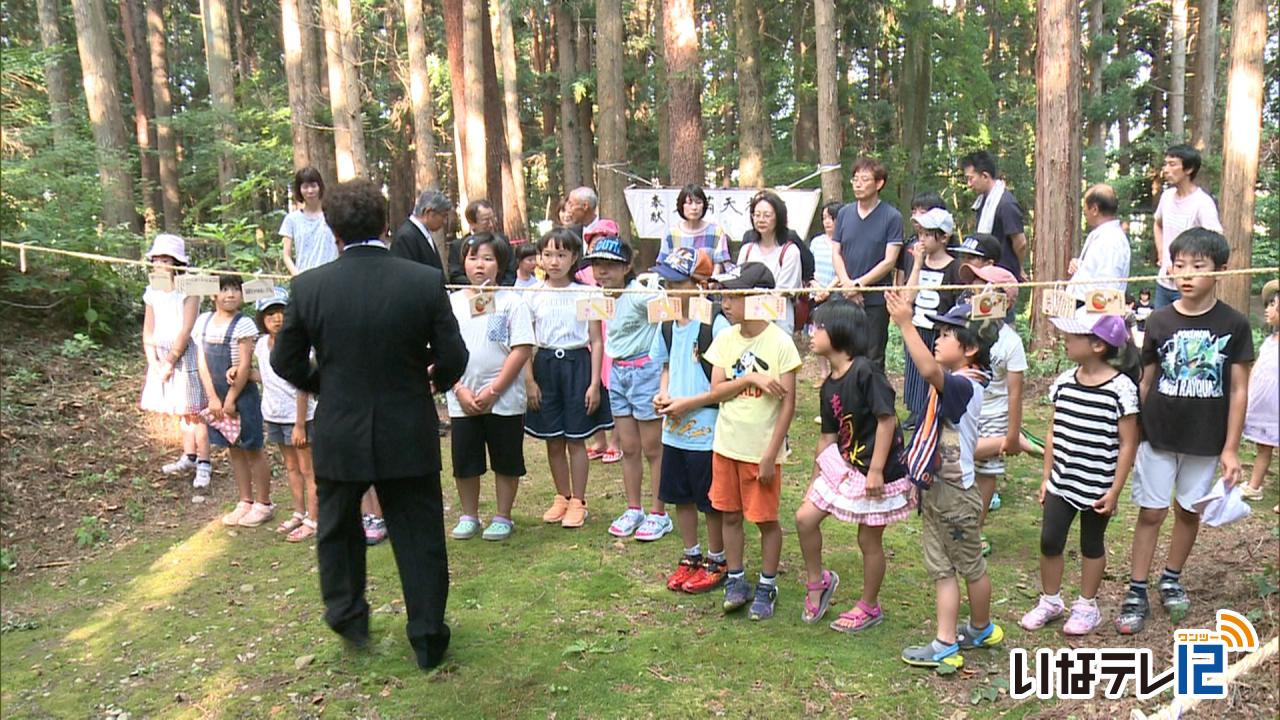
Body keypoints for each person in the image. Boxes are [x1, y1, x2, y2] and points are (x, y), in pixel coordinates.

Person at [272, 178, 469, 670]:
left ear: (333, 229)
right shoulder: (421, 281)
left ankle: (347, 615)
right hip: (407, 422)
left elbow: (284, 359)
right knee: (419, 533)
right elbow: (454, 356)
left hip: (340, 424)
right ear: (386, 225)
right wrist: (431, 381)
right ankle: (427, 637)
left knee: (338, 528)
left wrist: (325, 386)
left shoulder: (309, 286)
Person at [1115, 228, 1253, 635]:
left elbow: (1239, 388)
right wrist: (1133, 426)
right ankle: (1136, 588)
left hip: (1206, 438)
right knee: (1153, 511)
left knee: (1189, 509)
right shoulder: (1159, 319)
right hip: (1158, 431)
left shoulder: (1235, 323)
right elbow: (1146, 378)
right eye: (1179, 266)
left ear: (1220, 271)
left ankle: (1171, 577)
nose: (1186, 274)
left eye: (1198, 266)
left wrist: (1231, 448)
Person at [887, 292, 1004, 670]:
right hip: (938, 491)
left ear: (970, 349)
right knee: (943, 569)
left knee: (969, 567)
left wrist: (906, 324)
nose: (937, 338)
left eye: (946, 334)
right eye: (934, 332)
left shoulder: (962, 386)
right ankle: (951, 637)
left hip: (954, 495)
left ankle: (974, 631)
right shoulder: (961, 382)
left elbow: (927, 371)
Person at [795, 300, 913, 632]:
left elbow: (887, 420)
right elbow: (827, 437)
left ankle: (869, 606)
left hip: (879, 471)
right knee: (805, 518)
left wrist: (876, 470)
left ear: (840, 332)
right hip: (846, 467)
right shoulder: (829, 382)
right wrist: (813, 484)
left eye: (818, 327)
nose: (812, 333)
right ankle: (818, 583)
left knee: (868, 540)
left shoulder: (865, 370)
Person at [1021, 312, 1140, 636]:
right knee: (1050, 541)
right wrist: (1046, 477)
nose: (1065, 341)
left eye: (1073, 337)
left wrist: (1114, 490)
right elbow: (1052, 430)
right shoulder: (1064, 381)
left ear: (1098, 345)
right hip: (1062, 480)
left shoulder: (1121, 388)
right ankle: (1050, 601)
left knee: (1091, 543)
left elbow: (1128, 443)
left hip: (1097, 484)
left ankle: (1087, 605)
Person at [703, 263, 803, 621]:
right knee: (729, 515)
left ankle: (767, 583)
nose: (726, 303)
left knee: (765, 520)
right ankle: (735, 579)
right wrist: (753, 378)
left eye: (735, 295)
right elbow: (716, 392)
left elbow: (788, 403)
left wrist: (770, 453)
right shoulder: (725, 340)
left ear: (759, 299)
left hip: (761, 450)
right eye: (725, 296)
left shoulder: (780, 343)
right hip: (726, 446)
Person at [650, 249, 731, 593]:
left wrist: (687, 404)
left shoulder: (715, 322)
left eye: (676, 282)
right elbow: (665, 365)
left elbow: (723, 386)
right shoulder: (667, 323)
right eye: (665, 282)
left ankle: (717, 558)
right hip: (674, 429)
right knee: (680, 496)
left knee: (708, 500)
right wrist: (663, 395)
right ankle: (690, 554)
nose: (669, 289)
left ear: (699, 284)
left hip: (707, 430)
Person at [523, 228, 615, 528]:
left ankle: (579, 500)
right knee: (553, 439)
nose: (554, 261)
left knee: (576, 439)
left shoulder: (587, 293)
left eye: (561, 254)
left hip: (578, 364)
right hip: (545, 365)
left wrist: (593, 384)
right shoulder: (531, 294)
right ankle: (561, 496)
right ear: (539, 257)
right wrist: (529, 380)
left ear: (574, 257)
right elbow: (525, 341)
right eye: (547, 254)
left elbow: (597, 341)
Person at [446, 233, 534, 541]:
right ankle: (469, 515)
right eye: (473, 258)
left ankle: (503, 515)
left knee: (506, 457)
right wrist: (459, 388)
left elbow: (521, 349)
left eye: (487, 259)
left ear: (500, 263)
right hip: (463, 396)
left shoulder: (512, 302)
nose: (479, 265)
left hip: (504, 396)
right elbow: (441, 350)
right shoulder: (451, 303)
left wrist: (494, 390)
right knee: (465, 461)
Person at [586, 236, 671, 541]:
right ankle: (634, 508)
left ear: (627, 266)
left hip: (645, 372)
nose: (602, 273)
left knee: (652, 447)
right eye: (597, 266)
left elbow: (671, 310)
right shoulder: (601, 298)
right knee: (628, 447)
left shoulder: (639, 294)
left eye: (609, 266)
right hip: (619, 373)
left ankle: (659, 512)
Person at [954, 234, 1032, 539]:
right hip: (966, 414)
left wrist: (1011, 434)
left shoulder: (1010, 343)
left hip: (994, 418)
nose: (973, 290)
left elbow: (1015, 392)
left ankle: (974, 531)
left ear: (1001, 297)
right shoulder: (964, 330)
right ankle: (962, 526)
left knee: (985, 474)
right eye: (972, 284)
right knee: (961, 465)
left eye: (981, 284)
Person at [194, 275, 274, 528]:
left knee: (252, 447)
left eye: (235, 290)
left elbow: (243, 364)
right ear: (213, 295)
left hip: (242, 394)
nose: (230, 294)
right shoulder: (203, 322)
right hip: (215, 396)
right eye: (224, 289)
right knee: (234, 448)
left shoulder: (245, 324)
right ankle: (245, 500)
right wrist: (212, 398)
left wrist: (229, 399)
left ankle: (264, 503)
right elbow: (202, 363)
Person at [139, 234, 211, 490]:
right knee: (180, 410)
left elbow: (187, 327)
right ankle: (188, 455)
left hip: (185, 352)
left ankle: (204, 462)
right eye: (157, 258)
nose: (160, 263)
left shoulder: (189, 286)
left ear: (177, 262)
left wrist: (171, 359)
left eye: (166, 258)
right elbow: (148, 329)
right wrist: (154, 361)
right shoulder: (153, 288)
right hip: (160, 354)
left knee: (194, 411)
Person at [252, 288, 319, 543]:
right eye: (270, 314)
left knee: (308, 469)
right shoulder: (260, 345)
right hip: (274, 414)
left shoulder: (298, 344)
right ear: (262, 319)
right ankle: (299, 512)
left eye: (281, 312)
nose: (276, 319)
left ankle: (314, 518)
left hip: (298, 417)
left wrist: (300, 424)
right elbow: (267, 377)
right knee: (291, 467)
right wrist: (241, 373)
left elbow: (303, 385)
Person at [832, 157, 903, 371]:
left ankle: (874, 402)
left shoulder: (892, 217)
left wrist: (858, 285)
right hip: (844, 296)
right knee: (842, 352)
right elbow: (836, 251)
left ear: (879, 183)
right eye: (855, 179)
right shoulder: (844, 213)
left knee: (873, 356)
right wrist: (846, 284)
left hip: (875, 300)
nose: (858, 184)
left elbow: (889, 261)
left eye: (864, 179)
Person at [901, 208, 962, 429]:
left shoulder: (955, 267)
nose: (922, 239)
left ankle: (934, 413)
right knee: (915, 372)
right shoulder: (918, 263)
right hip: (918, 327)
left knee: (936, 373)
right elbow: (908, 296)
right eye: (921, 234)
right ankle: (916, 412)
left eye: (928, 234)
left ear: (943, 237)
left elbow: (958, 302)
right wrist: (917, 264)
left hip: (940, 331)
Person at [1152, 144, 1223, 308]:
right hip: (1164, 283)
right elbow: (1158, 224)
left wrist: (1190, 268)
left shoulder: (1203, 203)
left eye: (1172, 164)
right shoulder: (1167, 197)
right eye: (1165, 164)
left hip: (1189, 287)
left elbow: (1215, 242)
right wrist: (1162, 255)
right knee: (1159, 330)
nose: (1166, 170)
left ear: (1189, 169)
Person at [960, 150, 1027, 298]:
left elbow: (1020, 242)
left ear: (985, 176)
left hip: (1001, 280)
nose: (969, 184)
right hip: (984, 277)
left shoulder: (1006, 204)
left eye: (971, 178)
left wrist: (1019, 267)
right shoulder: (983, 201)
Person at [736, 192, 804, 335]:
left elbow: (783, 291)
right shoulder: (746, 250)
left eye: (767, 215)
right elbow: (738, 284)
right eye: (757, 214)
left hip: (779, 324)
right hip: (748, 322)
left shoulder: (790, 251)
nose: (761, 220)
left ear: (778, 217)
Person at [1242, 280, 1278, 503]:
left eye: (1273, 304)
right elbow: (1257, 369)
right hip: (1264, 407)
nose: (1267, 309)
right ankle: (1255, 486)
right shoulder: (1269, 341)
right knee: (1263, 447)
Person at [1068, 184, 1131, 302]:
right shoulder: (1098, 235)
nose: (1084, 213)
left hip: (1093, 315)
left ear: (1095, 210)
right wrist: (1080, 266)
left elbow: (1108, 290)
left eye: (1085, 209)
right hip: (1082, 311)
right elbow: (1095, 272)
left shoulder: (1112, 241)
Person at [391, 190, 462, 283]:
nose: (445, 222)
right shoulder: (406, 237)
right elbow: (407, 277)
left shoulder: (422, 233)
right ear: (429, 212)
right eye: (443, 216)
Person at [658, 184, 732, 273]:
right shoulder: (671, 233)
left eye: (698, 202)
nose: (694, 207)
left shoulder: (716, 232)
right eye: (689, 203)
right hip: (678, 284)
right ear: (681, 205)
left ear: (704, 205)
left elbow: (719, 264)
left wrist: (711, 283)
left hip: (708, 283)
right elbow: (663, 264)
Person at [280, 167, 338, 275]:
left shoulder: (333, 215)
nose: (310, 191)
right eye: (305, 187)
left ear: (320, 187)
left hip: (332, 277)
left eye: (313, 186)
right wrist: (297, 276)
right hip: (304, 278)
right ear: (299, 190)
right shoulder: (292, 219)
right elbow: (286, 255)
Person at [896, 192, 948, 286]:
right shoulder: (909, 243)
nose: (916, 217)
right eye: (914, 212)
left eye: (922, 212)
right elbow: (901, 277)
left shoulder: (948, 249)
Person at [461, 200, 516, 286]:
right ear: (472, 223)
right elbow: (456, 275)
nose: (491, 224)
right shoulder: (459, 245)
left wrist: (498, 290)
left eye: (492, 219)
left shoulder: (503, 242)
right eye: (486, 220)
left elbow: (511, 270)